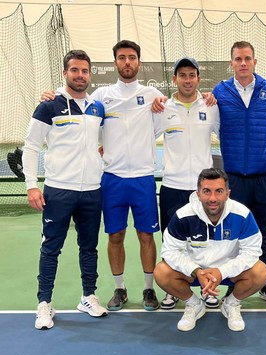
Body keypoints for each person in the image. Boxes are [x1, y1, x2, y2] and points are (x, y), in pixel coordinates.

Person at [23, 50, 108, 330]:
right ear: (65, 73)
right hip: (58, 191)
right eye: (75, 70)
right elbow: (32, 146)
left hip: (92, 191)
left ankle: (88, 297)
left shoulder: (97, 107)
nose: (80, 75)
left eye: (84, 71)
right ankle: (44, 303)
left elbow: (104, 142)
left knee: (89, 248)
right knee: (50, 249)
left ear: (89, 74)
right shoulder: (49, 105)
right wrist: (32, 186)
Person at [88, 40, 164, 311]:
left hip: (143, 177)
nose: (127, 62)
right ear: (115, 62)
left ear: (139, 62)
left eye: (132, 57)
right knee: (115, 236)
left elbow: (159, 128)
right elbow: (87, 124)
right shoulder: (100, 95)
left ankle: (148, 289)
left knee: (146, 236)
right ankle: (119, 289)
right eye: (122, 57)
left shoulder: (153, 94)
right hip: (112, 178)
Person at [212, 41, 266, 306]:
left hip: (263, 177)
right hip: (233, 179)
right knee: (233, 234)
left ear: (255, 62)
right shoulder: (220, 92)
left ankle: (265, 282)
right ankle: (234, 284)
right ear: (231, 63)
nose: (243, 63)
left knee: (264, 232)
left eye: (247, 59)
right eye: (238, 59)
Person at [154, 168, 266, 331]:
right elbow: (169, 252)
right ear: (198, 193)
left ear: (227, 194)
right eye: (207, 191)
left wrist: (221, 271)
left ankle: (231, 304)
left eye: (219, 191)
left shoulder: (243, 215)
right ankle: (194, 305)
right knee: (161, 272)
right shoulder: (182, 216)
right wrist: (196, 271)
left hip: (229, 272)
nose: (213, 198)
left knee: (261, 272)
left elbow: (252, 253)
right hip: (195, 274)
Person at [156, 57, 221, 310]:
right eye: (182, 75)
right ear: (174, 79)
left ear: (198, 79)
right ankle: (173, 289)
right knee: (172, 240)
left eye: (191, 75)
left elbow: (225, 133)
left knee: (206, 242)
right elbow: (140, 132)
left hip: (203, 191)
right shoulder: (162, 109)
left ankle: (209, 290)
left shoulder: (211, 106)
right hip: (172, 185)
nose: (187, 79)